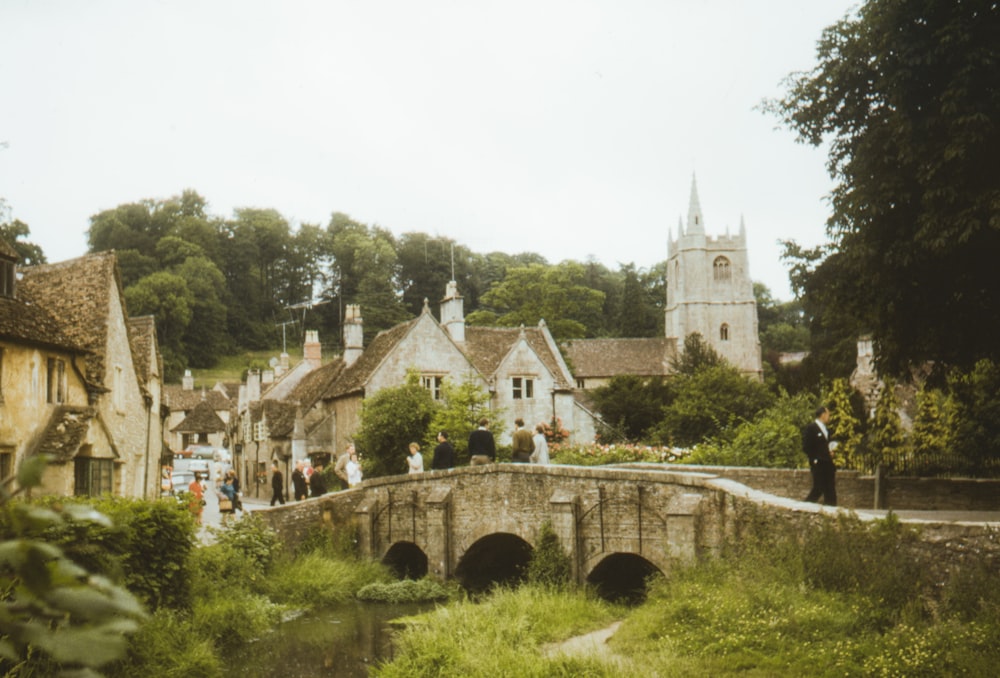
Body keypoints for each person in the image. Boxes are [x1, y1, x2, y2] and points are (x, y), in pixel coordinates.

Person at [803, 405, 837, 506]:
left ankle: (832, 511)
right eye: (828, 415)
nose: (829, 417)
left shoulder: (826, 429)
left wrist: (830, 452)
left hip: (827, 462)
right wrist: (814, 459)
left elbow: (826, 444)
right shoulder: (811, 428)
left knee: (830, 488)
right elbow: (806, 446)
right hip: (818, 463)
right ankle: (805, 507)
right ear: (823, 415)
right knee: (818, 487)